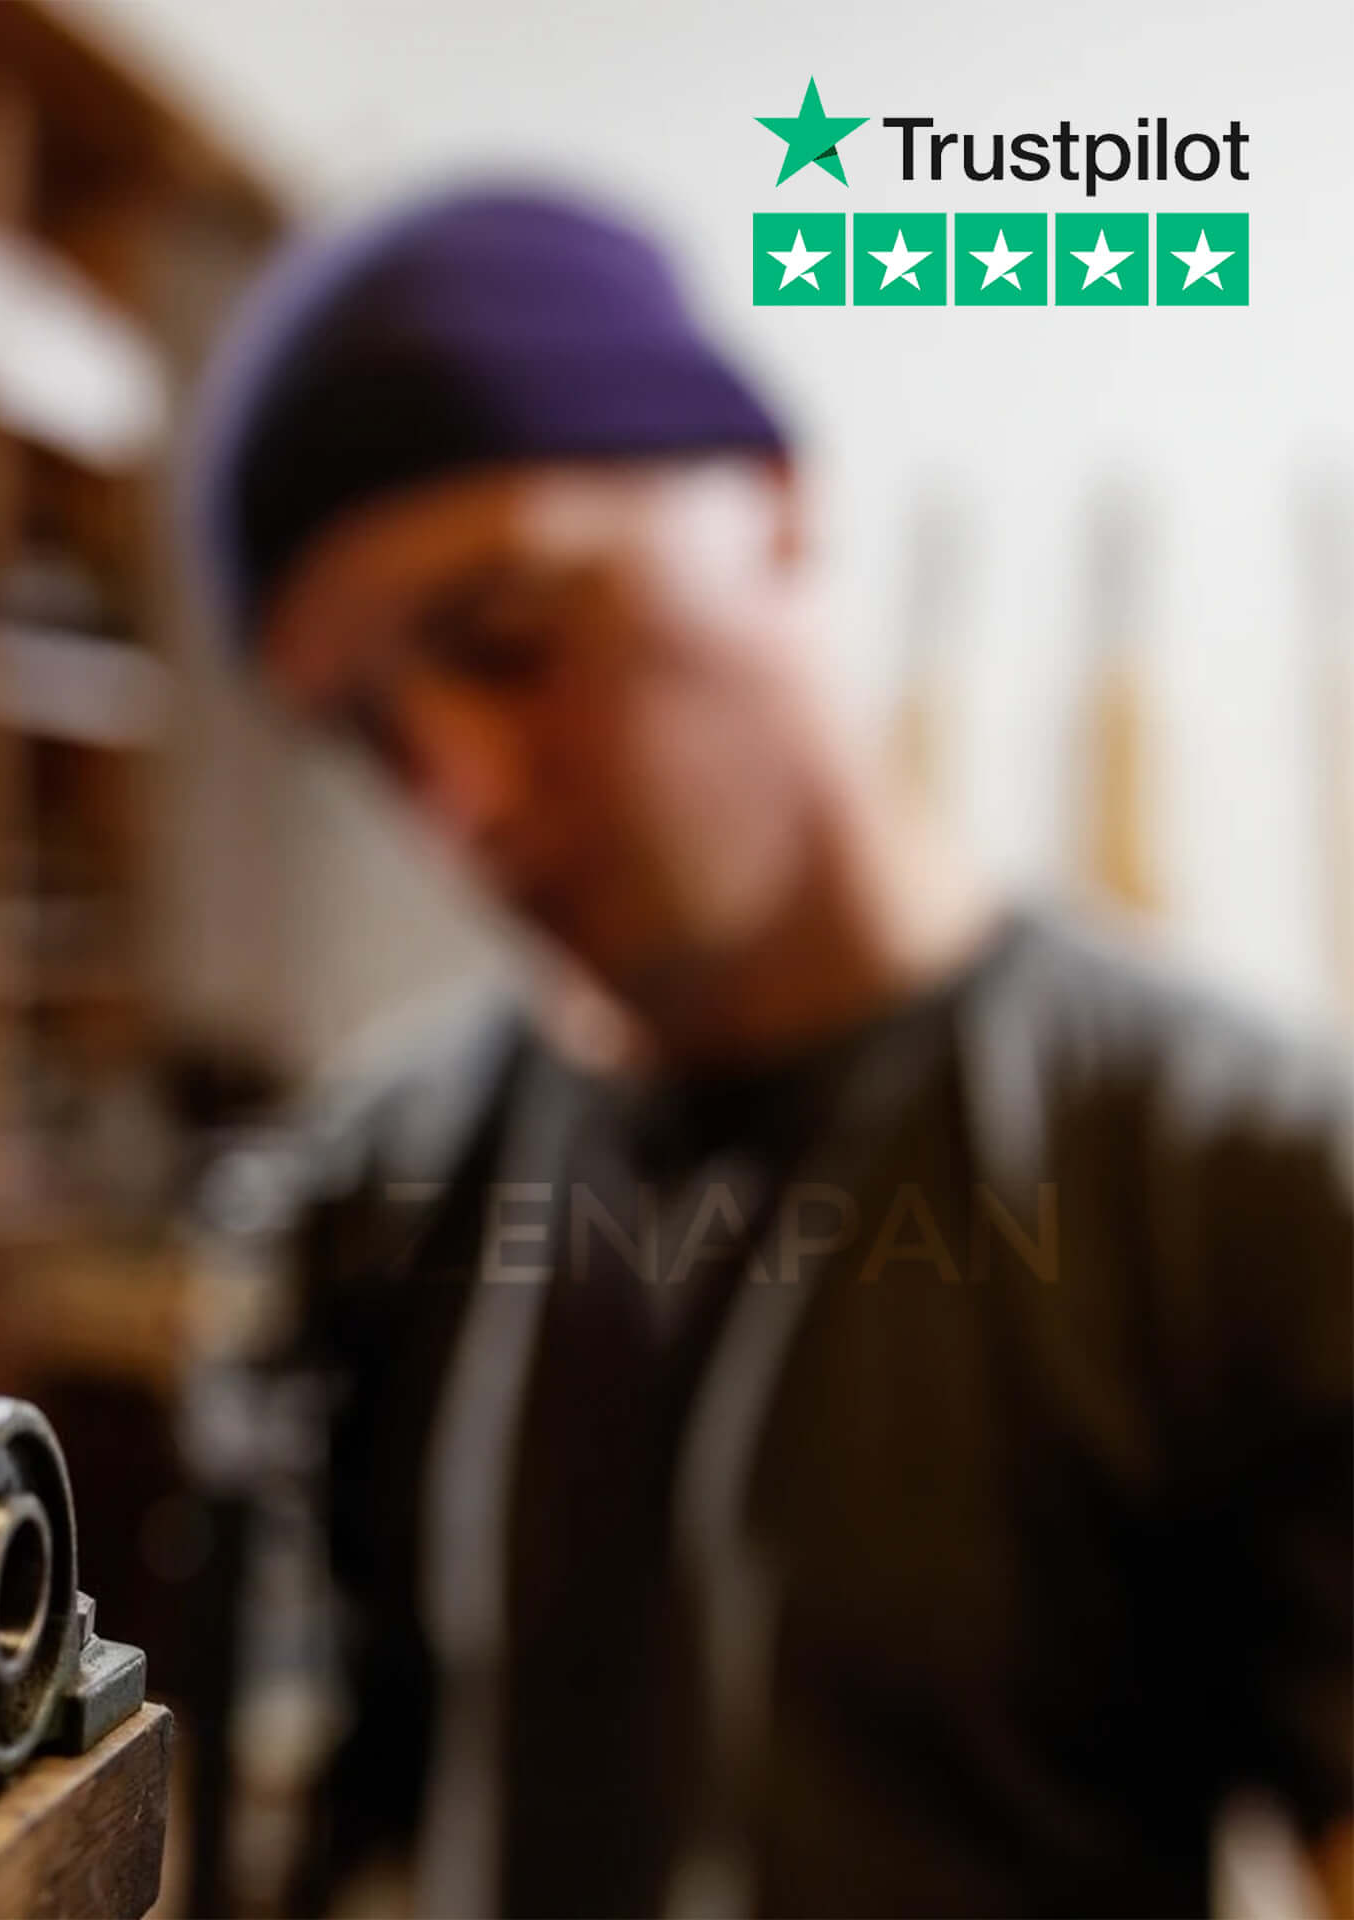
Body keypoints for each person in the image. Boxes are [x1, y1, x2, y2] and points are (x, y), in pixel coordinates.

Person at [183, 186, 1351, 1916]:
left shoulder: (1231, 1174)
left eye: (502, 635)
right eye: (365, 731)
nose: (463, 799)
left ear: (770, 508)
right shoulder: (350, 1195)